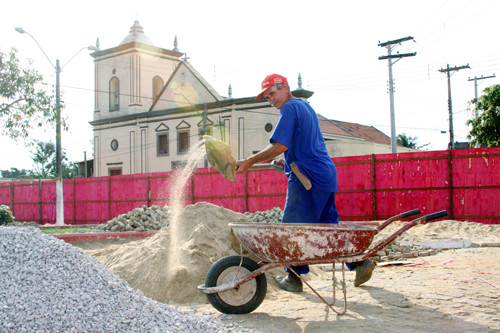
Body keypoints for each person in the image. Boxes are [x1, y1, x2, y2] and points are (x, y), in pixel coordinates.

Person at [236, 74, 375, 292]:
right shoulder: (306, 107)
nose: (271, 100)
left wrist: (249, 161)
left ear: (286, 88)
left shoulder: (289, 109)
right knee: (328, 229)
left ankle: (293, 277)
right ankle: (360, 263)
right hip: (325, 174)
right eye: (267, 97)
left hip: (307, 179)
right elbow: (306, 143)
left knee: (292, 229)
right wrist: (287, 162)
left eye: (273, 93)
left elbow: (281, 144)